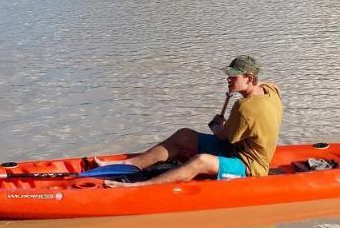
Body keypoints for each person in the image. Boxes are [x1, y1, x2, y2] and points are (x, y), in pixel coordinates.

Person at [97, 55, 283, 186]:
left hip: (249, 165)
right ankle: (131, 165)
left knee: (200, 160)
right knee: (183, 135)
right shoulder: (269, 90)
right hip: (237, 148)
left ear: (249, 78)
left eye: (233, 77)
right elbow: (270, 84)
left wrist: (217, 126)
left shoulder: (244, 107)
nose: (228, 80)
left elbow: (222, 138)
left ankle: (144, 185)